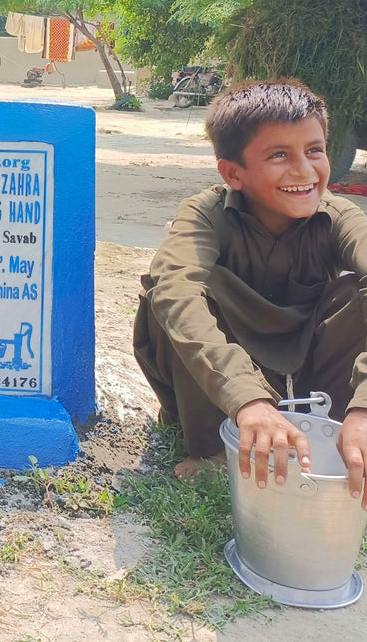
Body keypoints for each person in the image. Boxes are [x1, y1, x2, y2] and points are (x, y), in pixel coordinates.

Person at [134, 79, 367, 506]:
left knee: (357, 291)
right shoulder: (205, 214)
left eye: (314, 150)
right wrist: (247, 401)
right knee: (167, 294)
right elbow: (175, 290)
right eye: (279, 155)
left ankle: (337, 433)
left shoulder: (338, 217)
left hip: (310, 377)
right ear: (233, 173)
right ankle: (211, 447)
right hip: (222, 389)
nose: (304, 170)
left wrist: (365, 406)